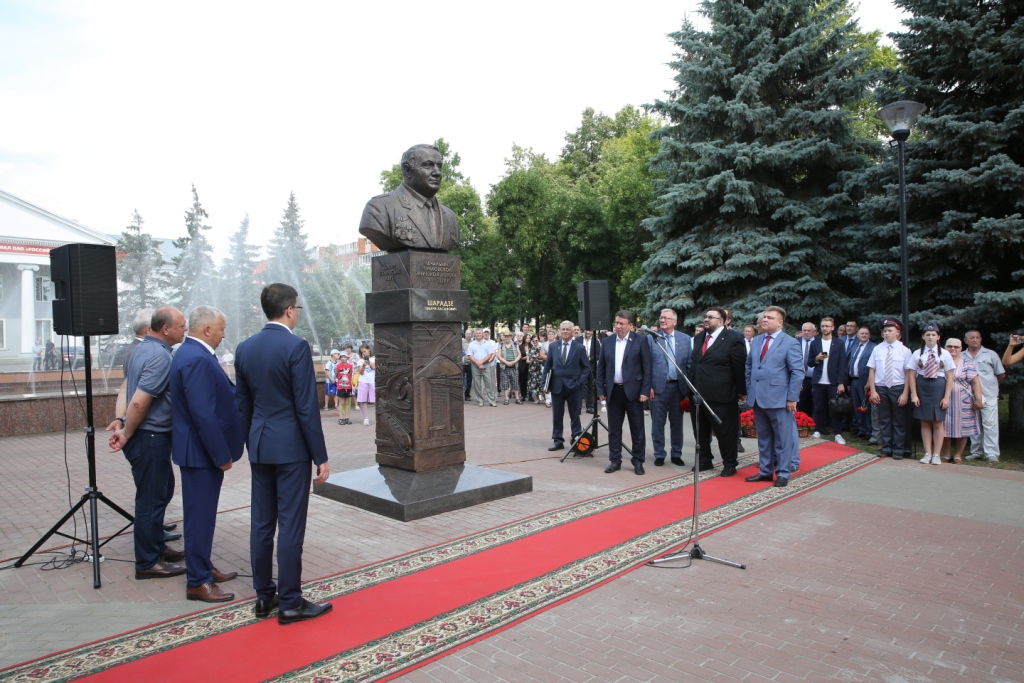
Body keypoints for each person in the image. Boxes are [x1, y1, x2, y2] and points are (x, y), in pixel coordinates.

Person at [235, 283, 332, 625]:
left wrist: (250, 443)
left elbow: (242, 405)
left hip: (260, 445)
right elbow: (306, 407)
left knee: (262, 523)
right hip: (290, 448)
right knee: (291, 523)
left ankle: (264, 597)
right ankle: (290, 601)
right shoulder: (296, 347)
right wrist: (320, 455)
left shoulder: (244, 348)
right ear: (290, 309)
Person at [169, 306, 244, 603]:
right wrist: (220, 454)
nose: (225, 334)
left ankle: (203, 567)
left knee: (203, 515)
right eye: (222, 329)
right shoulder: (196, 358)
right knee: (199, 517)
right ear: (208, 330)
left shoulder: (192, 354)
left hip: (198, 453)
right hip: (201, 454)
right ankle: (197, 581)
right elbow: (203, 414)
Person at [107, 306, 187, 579]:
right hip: (149, 436)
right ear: (166, 329)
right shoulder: (158, 356)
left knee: (161, 491)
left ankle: (157, 547)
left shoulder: (141, 349)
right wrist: (127, 431)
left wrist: (120, 420)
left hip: (148, 435)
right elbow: (140, 400)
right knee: (150, 500)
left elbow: (126, 388)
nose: (185, 330)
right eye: (181, 326)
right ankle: (147, 562)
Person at [358, 144, 460, 252]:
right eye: (427, 165)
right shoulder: (379, 208)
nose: (437, 172)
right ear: (407, 170)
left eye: (439, 166)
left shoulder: (450, 217)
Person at [744, 306, 803, 487]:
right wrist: (750, 389)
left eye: (770, 317)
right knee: (763, 438)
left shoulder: (790, 342)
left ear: (780, 322)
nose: (765, 320)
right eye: (764, 317)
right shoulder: (757, 340)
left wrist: (792, 398)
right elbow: (749, 367)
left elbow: (797, 372)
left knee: (782, 439)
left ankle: (784, 472)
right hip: (758, 398)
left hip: (779, 399)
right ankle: (765, 471)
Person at [688, 307, 746, 475]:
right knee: (700, 430)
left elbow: (739, 367)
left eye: (711, 317)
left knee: (724, 431)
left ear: (721, 321)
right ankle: (705, 460)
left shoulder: (733, 339)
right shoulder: (699, 338)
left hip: (722, 394)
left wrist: (741, 390)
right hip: (697, 393)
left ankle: (729, 463)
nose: (706, 319)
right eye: (705, 316)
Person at [596, 310, 652, 475]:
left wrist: (645, 391)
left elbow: (647, 368)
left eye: (622, 323)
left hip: (634, 393)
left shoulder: (641, 340)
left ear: (631, 326)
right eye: (617, 323)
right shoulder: (607, 342)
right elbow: (601, 368)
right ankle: (615, 460)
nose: (618, 326)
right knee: (614, 430)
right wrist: (601, 389)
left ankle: (638, 461)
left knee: (637, 429)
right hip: (613, 391)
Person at [648, 309, 692, 468]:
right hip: (658, 387)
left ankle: (676, 454)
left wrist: (687, 390)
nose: (662, 320)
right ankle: (659, 454)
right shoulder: (651, 338)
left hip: (678, 388)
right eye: (660, 317)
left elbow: (689, 364)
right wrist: (648, 387)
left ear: (675, 321)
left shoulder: (685, 339)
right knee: (657, 423)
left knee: (677, 423)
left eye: (666, 318)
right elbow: (646, 366)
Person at [866, 318, 915, 460]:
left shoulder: (904, 350)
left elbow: (908, 374)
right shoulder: (877, 349)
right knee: (883, 419)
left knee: (899, 419)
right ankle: (886, 447)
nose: (887, 334)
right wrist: (873, 391)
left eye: (890, 331)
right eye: (885, 331)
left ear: (897, 333)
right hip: (881, 387)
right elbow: (872, 371)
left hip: (898, 387)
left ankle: (898, 449)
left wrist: (905, 393)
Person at [908, 322, 955, 465]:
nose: (930, 337)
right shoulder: (918, 353)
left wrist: (946, 397)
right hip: (922, 386)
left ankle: (937, 454)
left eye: (933, 335)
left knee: (937, 422)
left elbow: (950, 377)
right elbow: (911, 375)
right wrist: (914, 394)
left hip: (938, 387)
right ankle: (927, 452)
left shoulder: (945, 354)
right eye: (927, 334)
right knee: (925, 421)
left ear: (938, 337)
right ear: (923, 337)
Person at [542, 321, 590, 451]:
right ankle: (558, 441)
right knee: (557, 415)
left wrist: (579, 382)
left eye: (567, 329)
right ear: (559, 331)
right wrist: (544, 384)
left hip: (573, 387)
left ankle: (577, 440)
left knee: (575, 415)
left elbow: (586, 368)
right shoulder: (553, 346)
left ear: (572, 331)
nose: (565, 331)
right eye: (563, 329)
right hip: (557, 386)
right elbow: (547, 366)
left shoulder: (579, 347)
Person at [940, 338, 983, 464]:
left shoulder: (967, 363)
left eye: (956, 347)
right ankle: (947, 454)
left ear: (961, 349)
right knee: (944, 428)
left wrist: (978, 399)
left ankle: (958, 455)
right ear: (945, 347)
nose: (953, 349)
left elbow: (975, 382)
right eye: (950, 346)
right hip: (943, 400)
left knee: (964, 429)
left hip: (963, 401)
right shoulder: (940, 361)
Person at [964, 330, 1005, 462]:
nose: (975, 340)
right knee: (974, 424)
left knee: (990, 424)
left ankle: (992, 454)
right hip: (969, 395)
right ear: (966, 341)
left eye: (977, 337)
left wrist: (992, 387)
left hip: (989, 394)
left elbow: (1001, 374)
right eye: (971, 338)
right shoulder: (961, 355)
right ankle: (976, 452)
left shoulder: (991, 354)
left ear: (981, 339)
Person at [807, 317, 849, 444]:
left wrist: (841, 382)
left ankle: (837, 433)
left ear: (832, 328)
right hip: (818, 381)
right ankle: (817, 430)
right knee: (818, 407)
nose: (825, 328)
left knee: (835, 408)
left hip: (833, 382)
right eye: (823, 326)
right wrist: (817, 358)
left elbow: (843, 364)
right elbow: (809, 362)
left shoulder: (839, 343)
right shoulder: (815, 343)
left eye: (827, 326)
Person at [847, 326, 876, 439]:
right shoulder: (855, 346)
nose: (864, 335)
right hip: (854, 380)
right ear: (857, 335)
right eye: (862, 333)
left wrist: (869, 381)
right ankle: (860, 428)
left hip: (865, 381)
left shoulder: (873, 347)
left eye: (866, 333)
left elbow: (873, 367)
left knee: (866, 406)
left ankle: (869, 431)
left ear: (869, 335)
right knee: (857, 406)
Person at [467, 329, 497, 407]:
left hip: (486, 365)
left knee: (489, 383)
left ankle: (492, 401)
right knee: (477, 384)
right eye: (476, 333)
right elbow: (470, 356)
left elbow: (490, 354)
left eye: (479, 333)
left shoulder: (487, 344)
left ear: (482, 334)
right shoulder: (471, 344)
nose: (478, 334)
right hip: (475, 366)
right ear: (475, 335)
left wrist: (482, 362)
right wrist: (478, 363)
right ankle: (480, 400)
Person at [576, 329, 599, 414]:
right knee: (580, 387)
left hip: (591, 367)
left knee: (590, 387)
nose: (588, 332)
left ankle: (590, 406)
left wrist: (590, 358)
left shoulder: (595, 341)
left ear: (593, 332)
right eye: (586, 330)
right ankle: (578, 408)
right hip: (580, 367)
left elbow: (598, 355)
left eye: (590, 331)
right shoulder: (578, 340)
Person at [797, 322, 818, 415]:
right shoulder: (796, 342)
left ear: (814, 332)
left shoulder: (819, 342)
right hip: (800, 378)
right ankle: (802, 423)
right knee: (801, 402)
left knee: (815, 402)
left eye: (809, 331)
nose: (806, 332)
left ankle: (816, 424)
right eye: (804, 330)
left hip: (815, 377)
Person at [497, 330, 522, 404]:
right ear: (503, 337)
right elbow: (499, 355)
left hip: (514, 367)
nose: (507, 338)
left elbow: (519, 354)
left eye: (508, 336)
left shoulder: (515, 344)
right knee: (505, 383)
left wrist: (514, 361)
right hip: (504, 367)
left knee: (515, 383)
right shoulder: (501, 345)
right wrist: (506, 362)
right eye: (505, 336)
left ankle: (517, 398)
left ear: (511, 337)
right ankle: (506, 398)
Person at [355, 343, 376, 425]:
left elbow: (374, 367)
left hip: (372, 381)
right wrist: (363, 365)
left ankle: (378, 417)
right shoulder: (360, 361)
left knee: (375, 400)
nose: (363, 353)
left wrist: (368, 361)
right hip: (363, 381)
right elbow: (361, 372)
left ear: (369, 350)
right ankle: (366, 418)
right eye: (362, 352)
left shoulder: (374, 359)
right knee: (363, 400)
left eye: (365, 351)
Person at [335, 351, 355, 425]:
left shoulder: (350, 366)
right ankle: (340, 418)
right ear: (340, 358)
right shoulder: (338, 366)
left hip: (348, 386)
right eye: (342, 357)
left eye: (344, 357)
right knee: (341, 403)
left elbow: (350, 374)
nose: (343, 358)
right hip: (341, 386)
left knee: (347, 403)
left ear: (347, 358)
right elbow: (337, 374)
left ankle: (347, 418)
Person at [526, 333, 544, 403]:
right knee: (533, 384)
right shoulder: (530, 349)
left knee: (540, 383)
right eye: (533, 341)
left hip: (539, 368)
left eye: (536, 340)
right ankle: (536, 399)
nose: (535, 342)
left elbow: (544, 359)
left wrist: (538, 360)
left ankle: (543, 398)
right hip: (532, 369)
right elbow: (527, 360)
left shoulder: (541, 348)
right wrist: (530, 360)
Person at [517, 332, 530, 402]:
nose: (528, 339)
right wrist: (527, 357)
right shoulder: (520, 346)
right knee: (522, 381)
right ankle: (523, 395)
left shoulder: (532, 346)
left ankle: (530, 395)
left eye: (529, 338)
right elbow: (519, 357)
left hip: (531, 365)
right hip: (522, 366)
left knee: (530, 380)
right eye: (527, 338)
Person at [462, 328, 474, 401]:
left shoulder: (474, 343)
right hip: (463, 363)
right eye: (467, 334)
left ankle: (467, 395)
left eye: (470, 334)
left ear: (471, 335)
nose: (468, 335)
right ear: (465, 334)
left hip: (471, 363)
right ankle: (461, 394)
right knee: (462, 380)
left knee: (469, 380)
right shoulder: (461, 342)